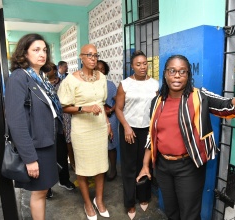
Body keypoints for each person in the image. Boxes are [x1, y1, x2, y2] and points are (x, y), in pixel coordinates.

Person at [136, 53, 235, 220]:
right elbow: (151, 137)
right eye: (172, 70)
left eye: (183, 71)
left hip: (188, 166)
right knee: (171, 211)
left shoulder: (199, 96)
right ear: (165, 74)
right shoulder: (157, 101)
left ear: (188, 75)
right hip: (163, 166)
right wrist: (146, 165)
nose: (177, 75)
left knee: (190, 214)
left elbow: (230, 107)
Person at [5, 33, 62, 220]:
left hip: (48, 142)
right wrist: (29, 158)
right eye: (36, 50)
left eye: (44, 50)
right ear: (24, 54)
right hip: (36, 147)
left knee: (43, 190)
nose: (42, 54)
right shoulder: (19, 77)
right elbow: (16, 121)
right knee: (39, 192)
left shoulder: (41, 77)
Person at [57, 44, 112, 220]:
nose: (93, 58)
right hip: (82, 129)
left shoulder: (101, 77)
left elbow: (102, 104)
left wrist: (108, 123)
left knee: (101, 166)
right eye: (89, 55)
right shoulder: (70, 80)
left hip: (99, 127)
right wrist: (84, 108)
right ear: (81, 57)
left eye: (96, 55)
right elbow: (64, 107)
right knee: (82, 169)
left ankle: (99, 200)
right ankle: (87, 203)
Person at [115, 50, 159, 219]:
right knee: (129, 167)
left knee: (145, 164)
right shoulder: (125, 84)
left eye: (144, 63)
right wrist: (126, 126)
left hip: (147, 130)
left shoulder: (154, 84)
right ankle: (129, 202)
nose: (142, 67)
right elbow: (118, 108)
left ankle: (144, 196)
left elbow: (156, 109)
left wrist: (154, 129)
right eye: (138, 64)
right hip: (129, 129)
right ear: (132, 66)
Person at [44, 63, 75, 199]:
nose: (47, 72)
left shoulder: (63, 84)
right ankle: (47, 187)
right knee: (46, 158)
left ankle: (64, 180)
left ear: (55, 70)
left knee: (62, 155)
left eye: (49, 69)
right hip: (46, 126)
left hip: (61, 125)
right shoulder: (41, 85)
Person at [96, 60, 118, 181]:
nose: (100, 70)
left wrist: (111, 110)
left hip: (110, 117)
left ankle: (113, 169)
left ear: (106, 71)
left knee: (111, 145)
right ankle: (101, 170)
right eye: (97, 68)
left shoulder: (110, 84)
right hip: (95, 120)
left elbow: (118, 100)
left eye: (102, 69)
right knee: (99, 146)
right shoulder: (90, 85)